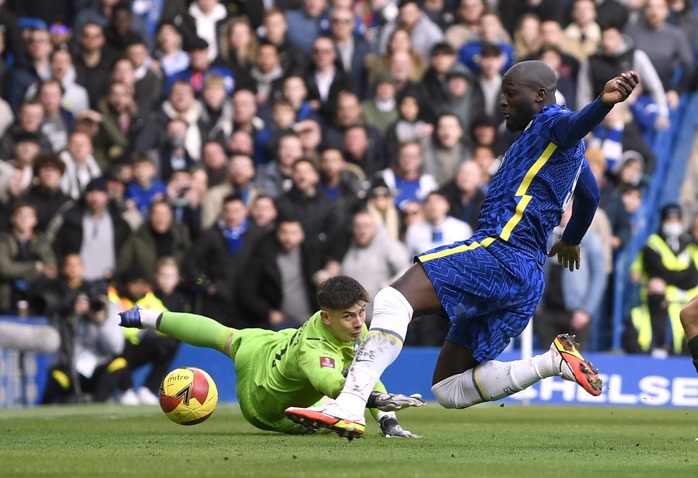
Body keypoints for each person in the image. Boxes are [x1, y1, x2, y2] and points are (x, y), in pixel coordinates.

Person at [285, 61, 640, 438]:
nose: (502, 102)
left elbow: (573, 125)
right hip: (527, 276)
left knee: (392, 299)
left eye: (509, 93)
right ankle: (552, 363)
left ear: (539, 96)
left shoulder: (552, 121)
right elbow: (591, 195)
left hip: (501, 251)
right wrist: (572, 238)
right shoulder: (566, 150)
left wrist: (603, 103)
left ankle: (350, 404)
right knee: (449, 388)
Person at [118, 275, 424, 436]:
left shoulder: (346, 328)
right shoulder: (314, 351)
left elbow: (365, 371)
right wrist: (372, 399)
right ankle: (150, 317)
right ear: (326, 318)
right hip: (262, 405)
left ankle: (147, 316)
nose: (359, 322)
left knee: (224, 335)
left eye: (360, 313)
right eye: (348, 316)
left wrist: (388, 423)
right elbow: (331, 381)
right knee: (331, 407)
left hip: (264, 348)